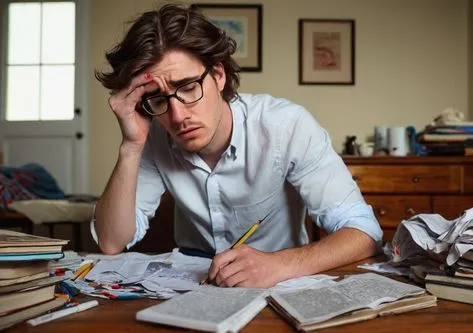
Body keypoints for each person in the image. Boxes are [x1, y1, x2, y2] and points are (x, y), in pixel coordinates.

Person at [93, 3, 382, 288]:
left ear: (218, 75)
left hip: (279, 277)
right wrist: (130, 145)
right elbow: (111, 242)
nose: (178, 116)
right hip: (190, 282)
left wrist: (279, 264)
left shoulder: (286, 125)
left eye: (189, 87)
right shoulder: (153, 135)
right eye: (158, 99)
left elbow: (364, 231)